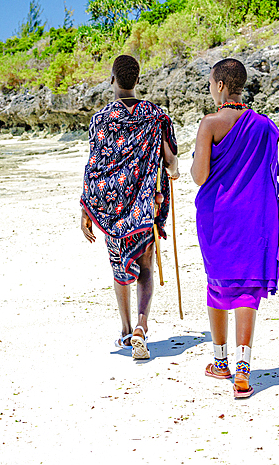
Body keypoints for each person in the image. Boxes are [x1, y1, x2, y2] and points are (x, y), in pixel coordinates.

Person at [190, 58, 279, 398]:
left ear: (221, 85)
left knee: (218, 283)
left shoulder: (210, 123)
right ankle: (242, 372)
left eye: (211, 83)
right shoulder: (265, 126)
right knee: (248, 288)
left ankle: (220, 360)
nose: (210, 89)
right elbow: (270, 177)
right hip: (254, 217)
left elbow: (200, 176)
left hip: (217, 217)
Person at [80, 54, 179, 361]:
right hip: (146, 204)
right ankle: (141, 325)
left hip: (112, 207)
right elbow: (170, 161)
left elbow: (94, 166)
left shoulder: (101, 119)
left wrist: (86, 210)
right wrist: (172, 171)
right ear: (137, 81)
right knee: (146, 267)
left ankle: (124, 331)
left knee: (119, 264)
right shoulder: (156, 116)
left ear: (112, 80)